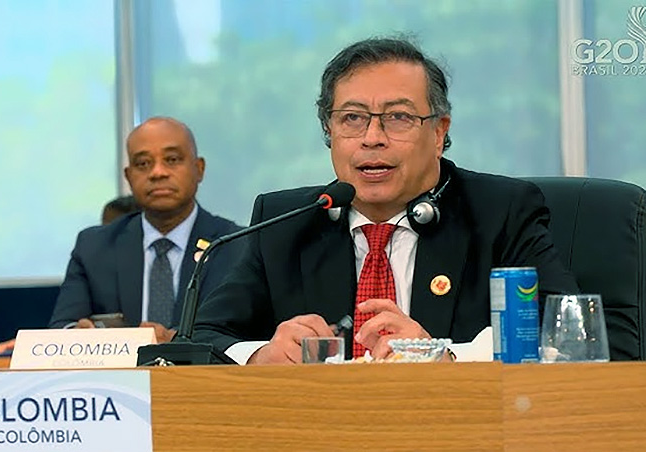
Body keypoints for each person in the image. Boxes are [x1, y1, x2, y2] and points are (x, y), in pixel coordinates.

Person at [192, 36, 579, 364]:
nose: (372, 138)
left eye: (398, 117)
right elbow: (200, 337)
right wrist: (261, 356)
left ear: (439, 132)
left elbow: (569, 333)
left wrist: (444, 357)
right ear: (329, 130)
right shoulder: (287, 222)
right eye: (352, 118)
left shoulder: (501, 212)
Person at [48, 117, 244, 343]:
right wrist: (77, 335)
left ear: (199, 169)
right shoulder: (94, 247)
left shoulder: (237, 246)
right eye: (143, 164)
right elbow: (62, 327)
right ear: (128, 176)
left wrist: (176, 341)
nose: (157, 172)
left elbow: (250, 334)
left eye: (172, 159)